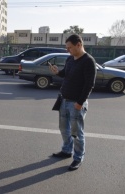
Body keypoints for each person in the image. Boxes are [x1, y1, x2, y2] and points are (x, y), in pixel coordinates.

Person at [49, 34, 96, 171]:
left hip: (77, 103)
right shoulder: (70, 59)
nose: (67, 50)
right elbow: (66, 74)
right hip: (64, 100)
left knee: (76, 133)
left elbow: (89, 85)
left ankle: (78, 158)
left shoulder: (88, 61)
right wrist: (57, 72)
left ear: (79, 45)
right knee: (64, 129)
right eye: (66, 47)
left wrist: (80, 103)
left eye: (69, 47)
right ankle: (66, 151)